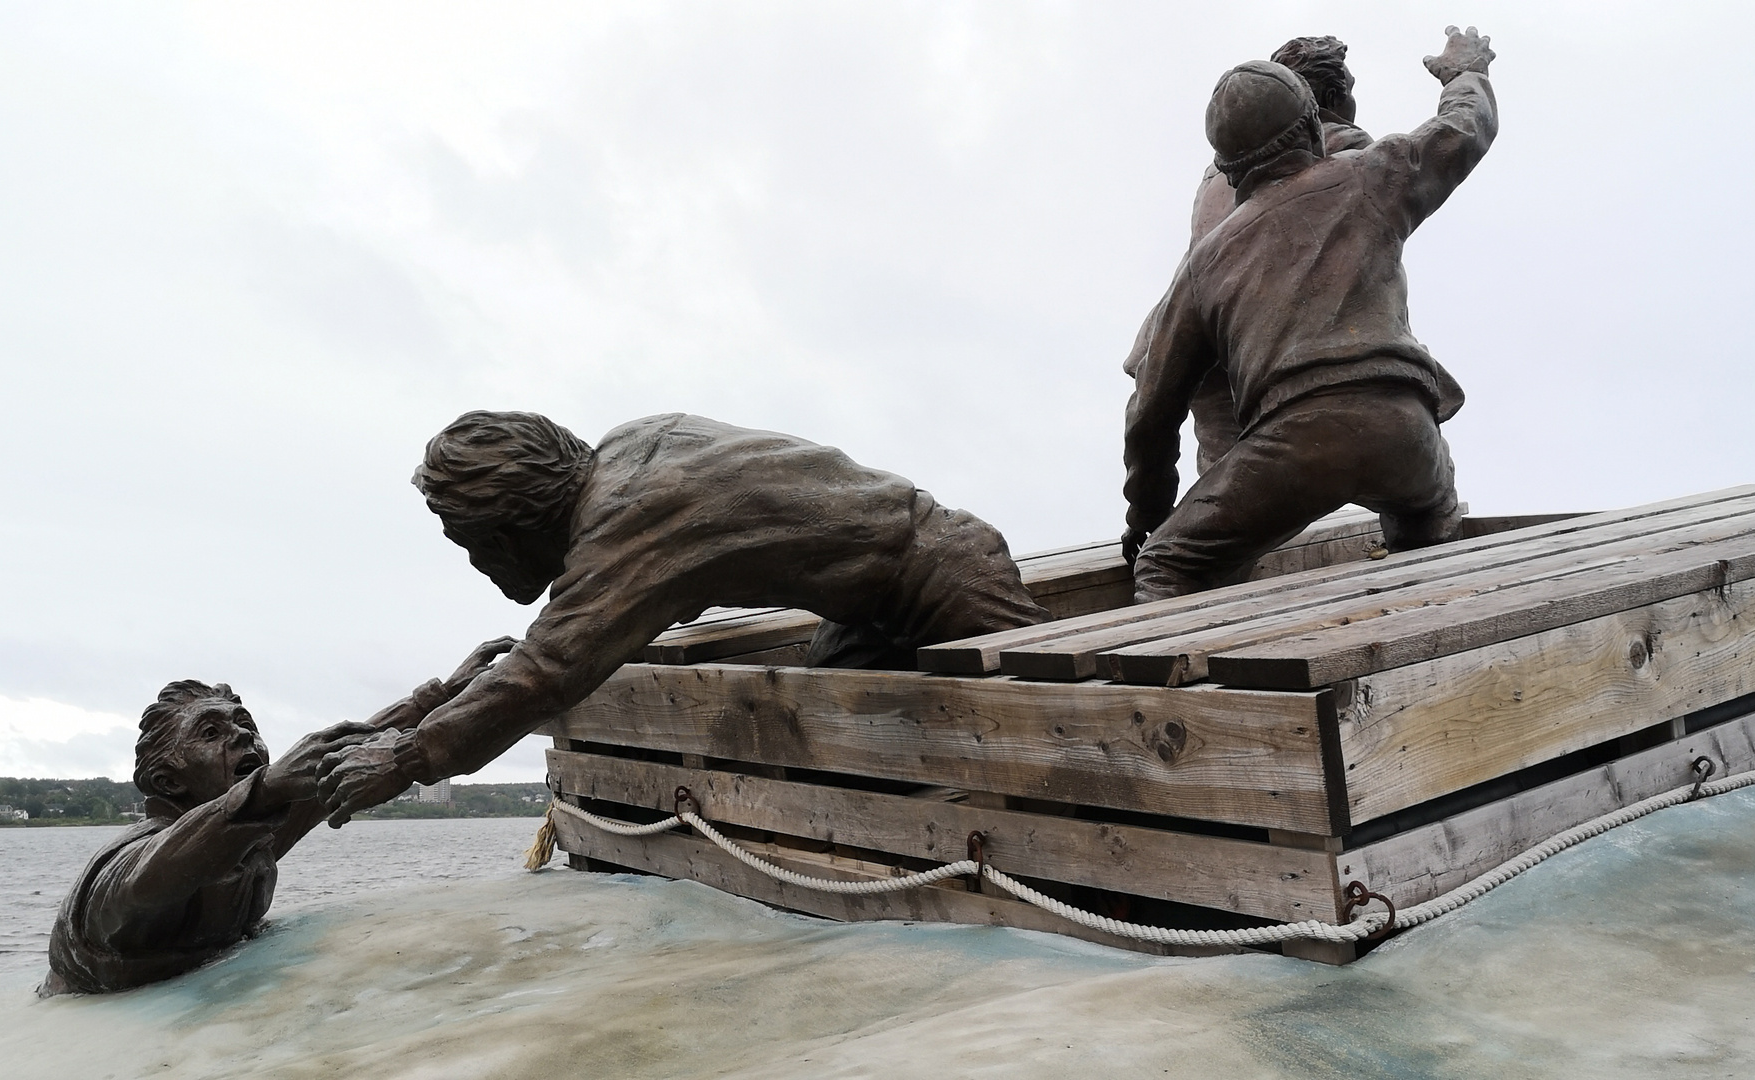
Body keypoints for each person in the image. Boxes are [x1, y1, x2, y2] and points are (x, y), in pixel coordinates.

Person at [315, 411, 1049, 823]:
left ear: (504, 533)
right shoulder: (632, 448)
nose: (477, 565)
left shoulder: (629, 521)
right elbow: (589, 622)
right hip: (870, 607)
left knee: (1058, 748)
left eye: (470, 545)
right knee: (836, 770)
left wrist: (411, 757)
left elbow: (546, 671)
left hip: (948, 583)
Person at [1121, 26, 1497, 601]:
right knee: (1429, 516)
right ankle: (1432, 608)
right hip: (1403, 427)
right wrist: (1465, 72)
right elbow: (1464, 128)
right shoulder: (1369, 172)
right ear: (1316, 128)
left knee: (1166, 569)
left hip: (1291, 442)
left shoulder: (1203, 261)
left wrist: (1146, 519)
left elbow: (1151, 414)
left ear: (1224, 165)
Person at [40, 638, 513, 995]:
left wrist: (437, 698)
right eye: (211, 732)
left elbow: (338, 751)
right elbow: (152, 876)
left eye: (246, 725)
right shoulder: (125, 867)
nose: (243, 737)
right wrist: (265, 788)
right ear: (168, 782)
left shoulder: (253, 836)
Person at [1160, 35, 1373, 476]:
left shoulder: (1221, 165)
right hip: (1276, 331)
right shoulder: (1343, 144)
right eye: (1349, 89)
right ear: (1331, 97)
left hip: (1200, 325)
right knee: (1369, 419)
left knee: (1224, 471)